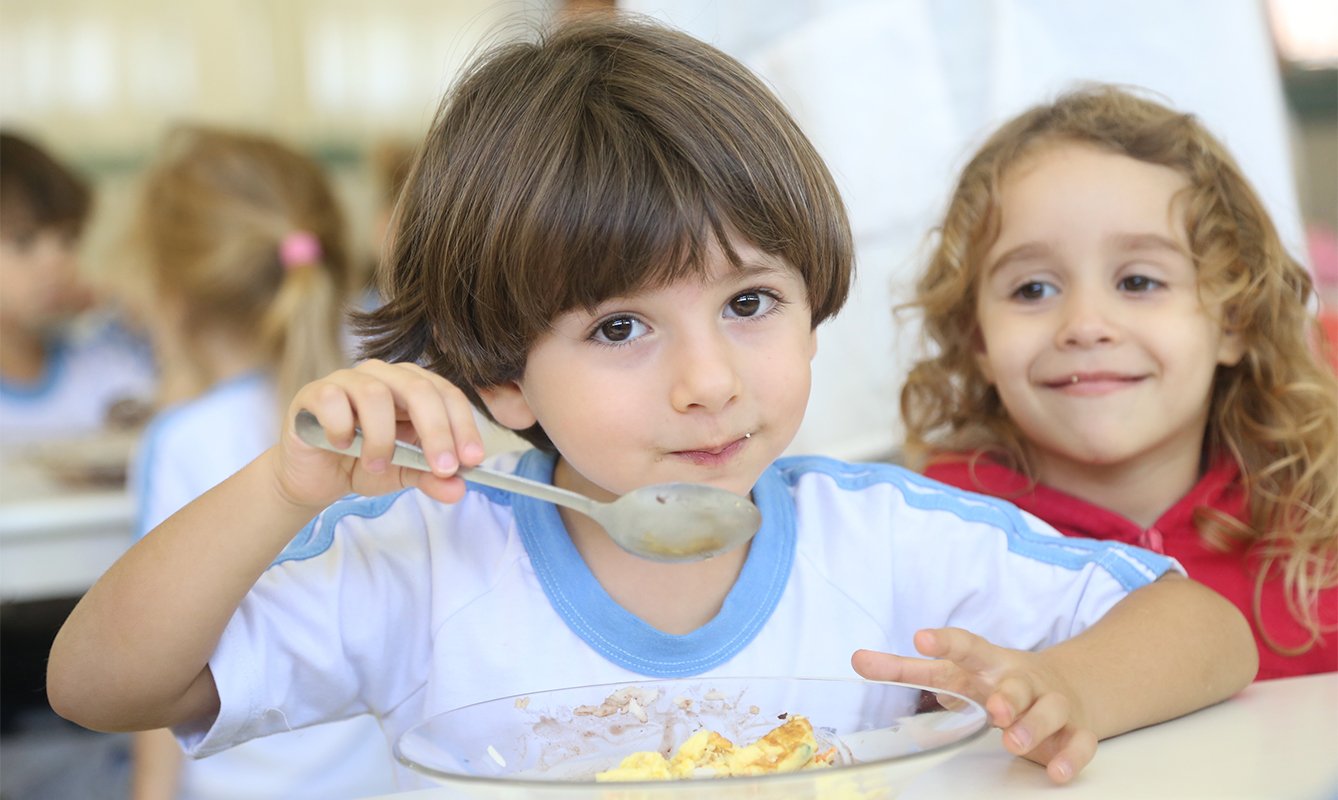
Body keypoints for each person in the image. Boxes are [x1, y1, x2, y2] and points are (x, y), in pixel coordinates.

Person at [47, 17, 1256, 789]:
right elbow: (101, 687)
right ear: (500, 373)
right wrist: (282, 486)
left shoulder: (889, 540)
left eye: (750, 302)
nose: (709, 380)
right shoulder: (422, 559)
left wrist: (1071, 688)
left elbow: (1206, 629)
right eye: (620, 327)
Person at [899, 85, 1338, 681]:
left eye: (1138, 282)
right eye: (1033, 289)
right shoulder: (931, 537)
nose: (1085, 325)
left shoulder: (1315, 516)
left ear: (1234, 320)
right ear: (977, 340)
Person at [117, 126, 396, 799]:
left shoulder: (182, 440)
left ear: (169, 293)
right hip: (394, 777)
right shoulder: (388, 403)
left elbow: (150, 664)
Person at [0, 130, 155, 449]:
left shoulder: (107, 361)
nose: (57, 263)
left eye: (69, 239)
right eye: (23, 242)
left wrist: (119, 300)